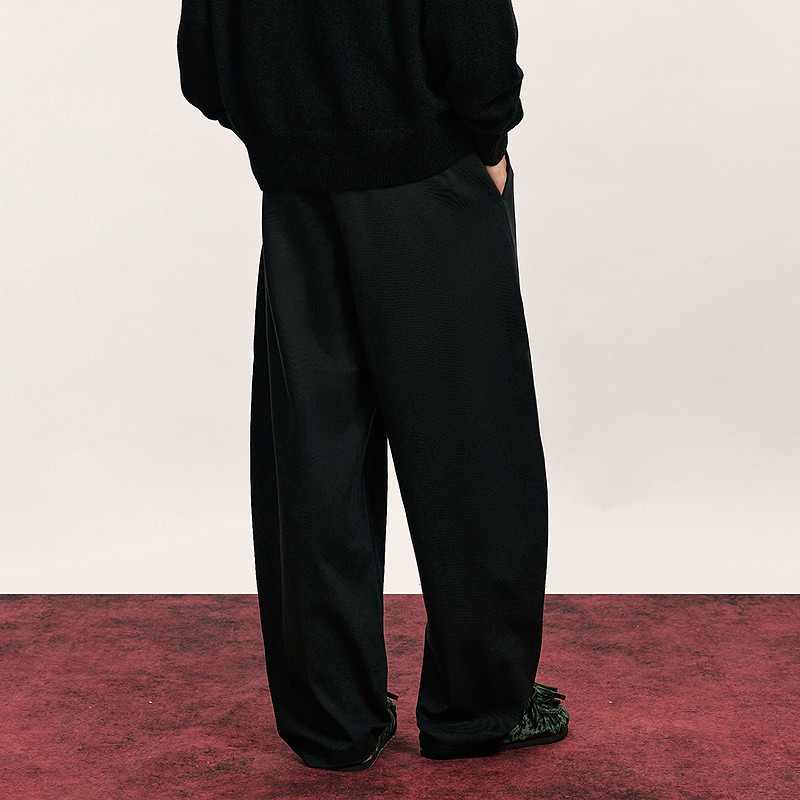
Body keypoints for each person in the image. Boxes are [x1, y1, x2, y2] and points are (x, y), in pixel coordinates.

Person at [177, 0, 569, 771]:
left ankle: (332, 719)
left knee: (316, 455)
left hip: (296, 192)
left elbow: (203, 70)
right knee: (471, 445)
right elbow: (472, 32)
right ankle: (479, 707)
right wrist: (491, 134)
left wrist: (291, 128)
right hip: (428, 178)